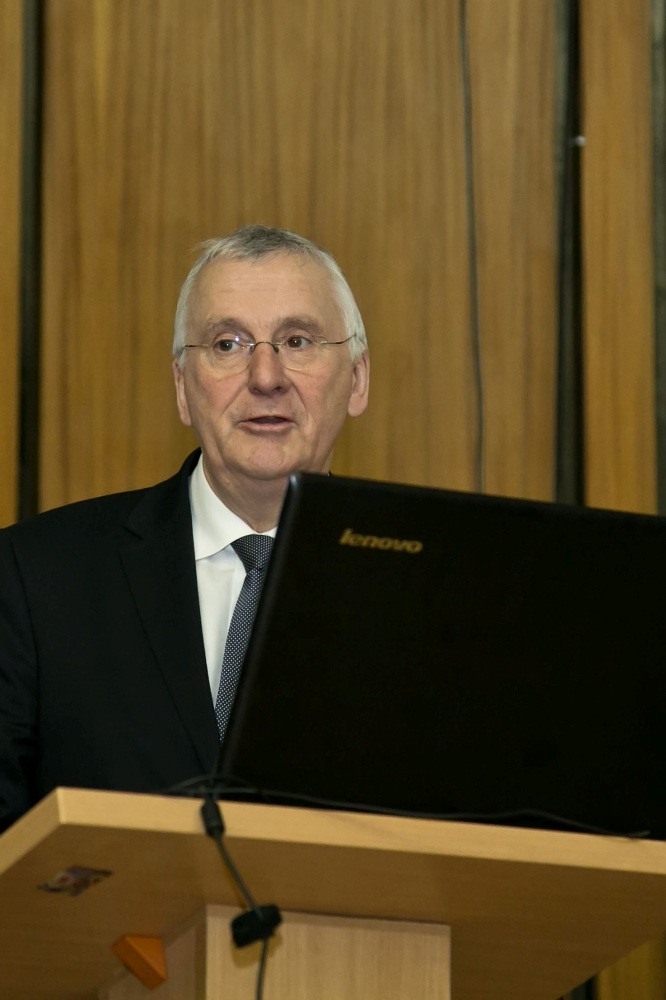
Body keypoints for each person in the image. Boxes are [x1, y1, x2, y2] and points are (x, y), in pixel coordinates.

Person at [0, 225, 370, 832]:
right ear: (181, 387)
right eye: (227, 344)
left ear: (356, 379)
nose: (266, 376)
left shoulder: (439, 593)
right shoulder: (36, 578)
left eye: (297, 341)